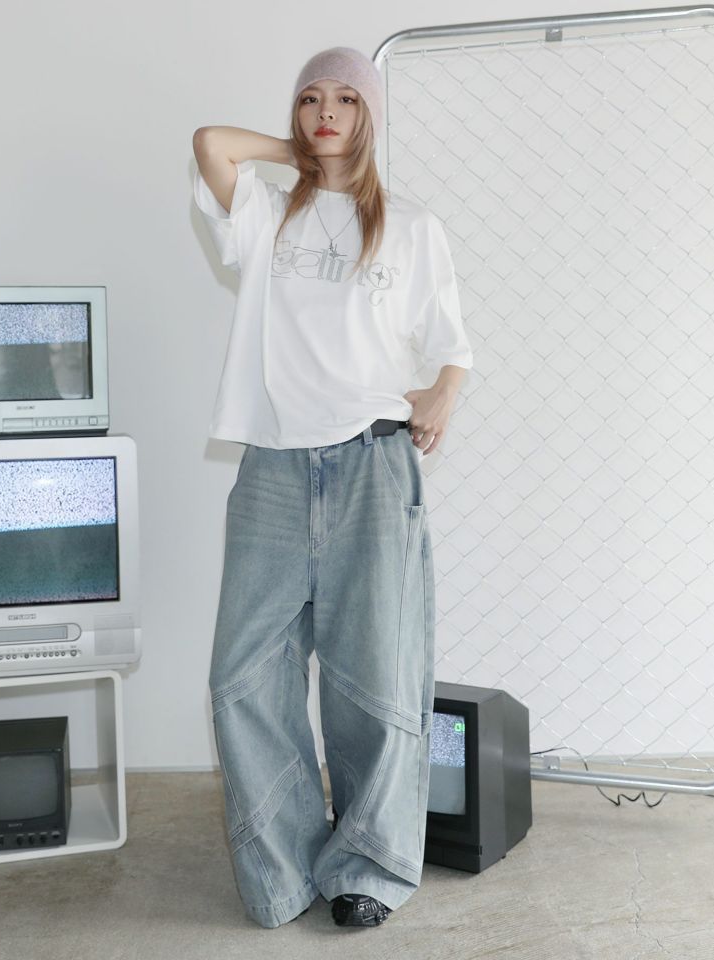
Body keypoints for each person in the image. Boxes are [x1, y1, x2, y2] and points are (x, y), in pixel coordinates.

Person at [192, 46, 474, 930]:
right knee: (243, 677)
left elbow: (452, 345)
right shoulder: (265, 213)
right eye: (313, 98)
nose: (326, 111)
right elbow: (210, 143)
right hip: (274, 468)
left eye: (347, 100)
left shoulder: (413, 227)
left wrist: (443, 392)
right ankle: (281, 871)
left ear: (371, 115)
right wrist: (303, 154)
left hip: (373, 464)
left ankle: (367, 869)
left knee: (375, 679)